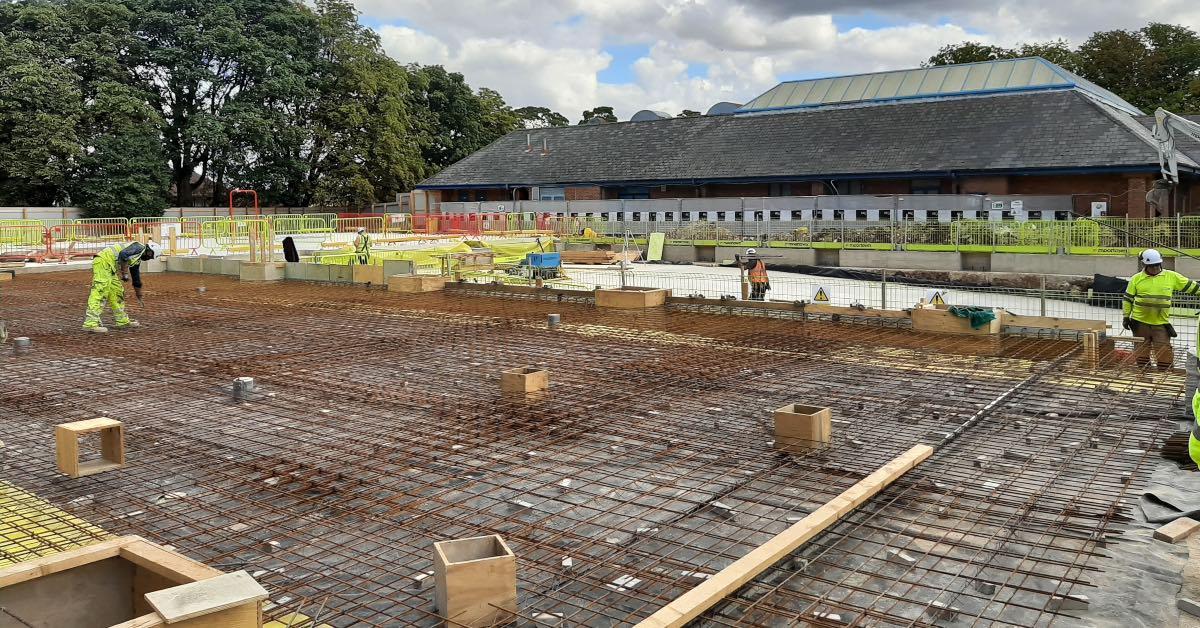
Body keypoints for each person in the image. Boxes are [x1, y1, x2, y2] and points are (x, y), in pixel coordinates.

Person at [1123, 249, 1200, 367]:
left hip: (1160, 324)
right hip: (1139, 323)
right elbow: (1128, 299)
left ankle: (1165, 373)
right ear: (1144, 265)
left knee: (1164, 352)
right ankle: (1144, 374)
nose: (1155, 268)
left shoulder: (1171, 276)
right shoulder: (1136, 279)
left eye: (1157, 265)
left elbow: (1193, 287)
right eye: (1152, 266)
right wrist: (1126, 317)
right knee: (1141, 352)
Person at [83, 241, 159, 333]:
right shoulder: (138, 247)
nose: (149, 258)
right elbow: (123, 254)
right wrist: (125, 273)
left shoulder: (137, 258)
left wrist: (138, 293)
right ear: (150, 251)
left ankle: (122, 320)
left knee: (117, 291)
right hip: (103, 261)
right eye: (150, 256)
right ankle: (90, 323)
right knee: (100, 290)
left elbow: (136, 277)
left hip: (110, 267)